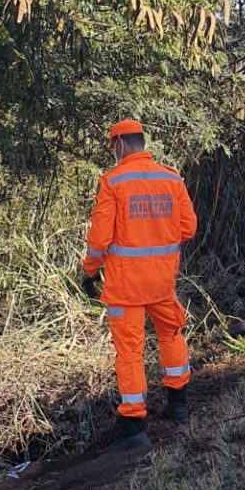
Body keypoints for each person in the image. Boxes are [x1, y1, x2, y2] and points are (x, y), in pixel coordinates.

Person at [81, 119, 198, 450]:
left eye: (112, 148)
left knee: (130, 352)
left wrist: (89, 272)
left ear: (119, 144)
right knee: (171, 335)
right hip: (162, 281)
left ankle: (133, 425)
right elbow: (188, 228)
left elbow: (100, 239)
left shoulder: (113, 181)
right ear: (141, 142)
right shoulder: (171, 178)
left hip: (125, 287)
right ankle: (179, 405)